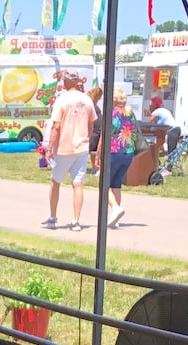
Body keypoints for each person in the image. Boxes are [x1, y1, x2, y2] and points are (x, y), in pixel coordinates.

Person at [44, 72, 96, 230]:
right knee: (77, 183)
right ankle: (76, 220)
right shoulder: (87, 100)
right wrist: (85, 139)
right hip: (82, 146)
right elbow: (91, 125)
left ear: (66, 83)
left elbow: (56, 126)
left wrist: (49, 147)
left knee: (55, 181)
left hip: (64, 148)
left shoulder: (62, 100)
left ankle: (53, 217)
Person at [103, 90, 143, 228]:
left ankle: (115, 208)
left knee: (104, 185)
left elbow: (106, 133)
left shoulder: (111, 114)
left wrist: (98, 152)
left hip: (113, 151)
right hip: (128, 152)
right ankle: (115, 218)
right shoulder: (130, 113)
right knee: (116, 184)